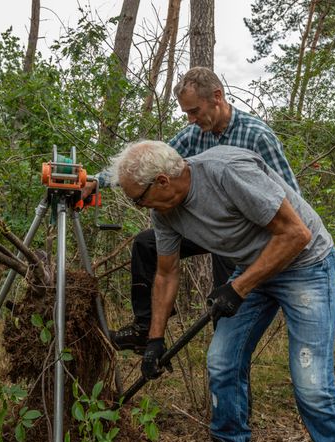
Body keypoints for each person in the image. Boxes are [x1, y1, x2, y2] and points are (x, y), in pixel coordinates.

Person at [109, 140, 335, 442]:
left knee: (312, 383)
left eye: (137, 198)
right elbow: (167, 274)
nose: (138, 205)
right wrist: (154, 339)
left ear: (162, 182)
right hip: (252, 269)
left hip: (306, 264)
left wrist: (238, 288)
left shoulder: (227, 173)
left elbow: (296, 234)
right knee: (221, 363)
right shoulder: (163, 212)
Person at [86, 67, 300, 353]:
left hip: (245, 232)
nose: (191, 119)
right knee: (147, 244)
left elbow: (291, 197)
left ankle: (228, 349)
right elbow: (149, 166)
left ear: (217, 97)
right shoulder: (192, 135)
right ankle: (145, 328)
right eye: (186, 113)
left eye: (195, 111)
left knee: (227, 284)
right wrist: (96, 182)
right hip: (206, 225)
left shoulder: (257, 136)